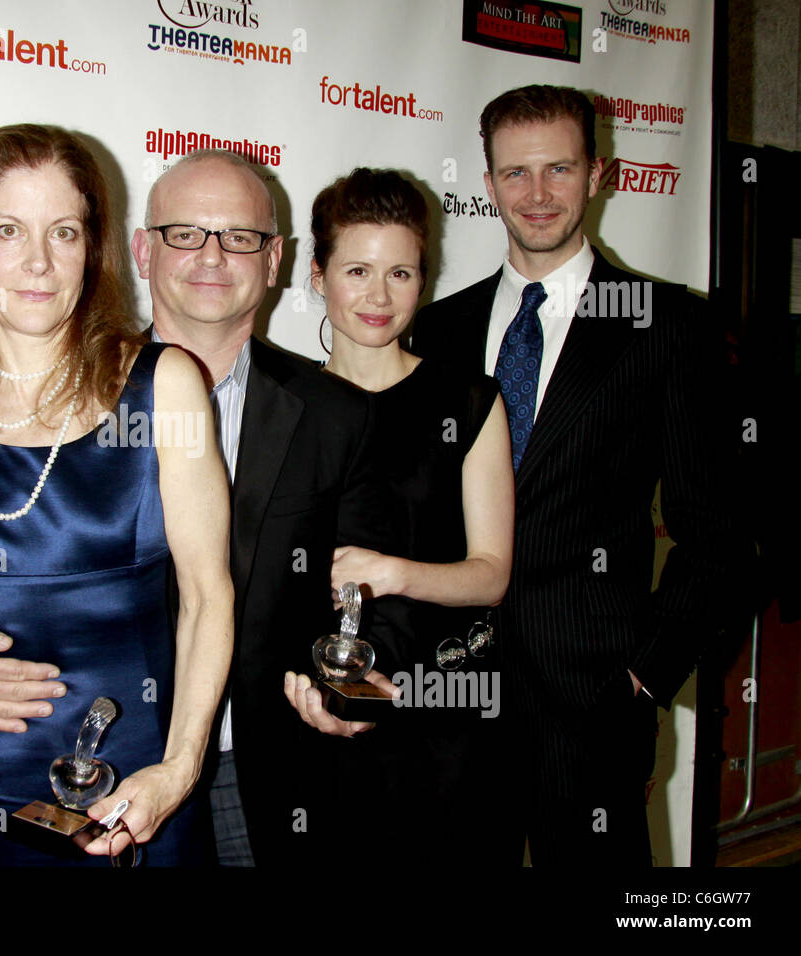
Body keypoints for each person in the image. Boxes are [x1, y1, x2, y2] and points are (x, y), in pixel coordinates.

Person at [411, 84, 745, 866]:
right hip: (451, 693)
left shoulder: (667, 324)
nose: (536, 195)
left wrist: (644, 676)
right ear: (487, 184)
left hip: (593, 700)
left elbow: (718, 534)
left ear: (599, 173)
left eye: (558, 169)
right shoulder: (438, 327)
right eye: (516, 174)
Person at [0, 125, 232, 866]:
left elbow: (210, 596)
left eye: (65, 232)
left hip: (138, 787)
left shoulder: (164, 384)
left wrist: (179, 770)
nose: (39, 262)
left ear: (93, 248)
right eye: (9, 230)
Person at [128, 150, 384, 866]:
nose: (212, 256)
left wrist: (351, 684)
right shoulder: (76, 397)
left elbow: (370, 593)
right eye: (185, 233)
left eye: (239, 237)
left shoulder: (335, 415)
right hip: (112, 763)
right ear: (143, 250)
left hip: (264, 779)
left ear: (274, 261)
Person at [280, 167, 515, 862]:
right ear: (317, 275)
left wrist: (393, 572)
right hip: (321, 719)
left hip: (445, 717)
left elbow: (492, 576)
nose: (378, 296)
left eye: (402, 274)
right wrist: (304, 684)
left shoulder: (469, 400)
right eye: (357, 270)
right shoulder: (282, 407)